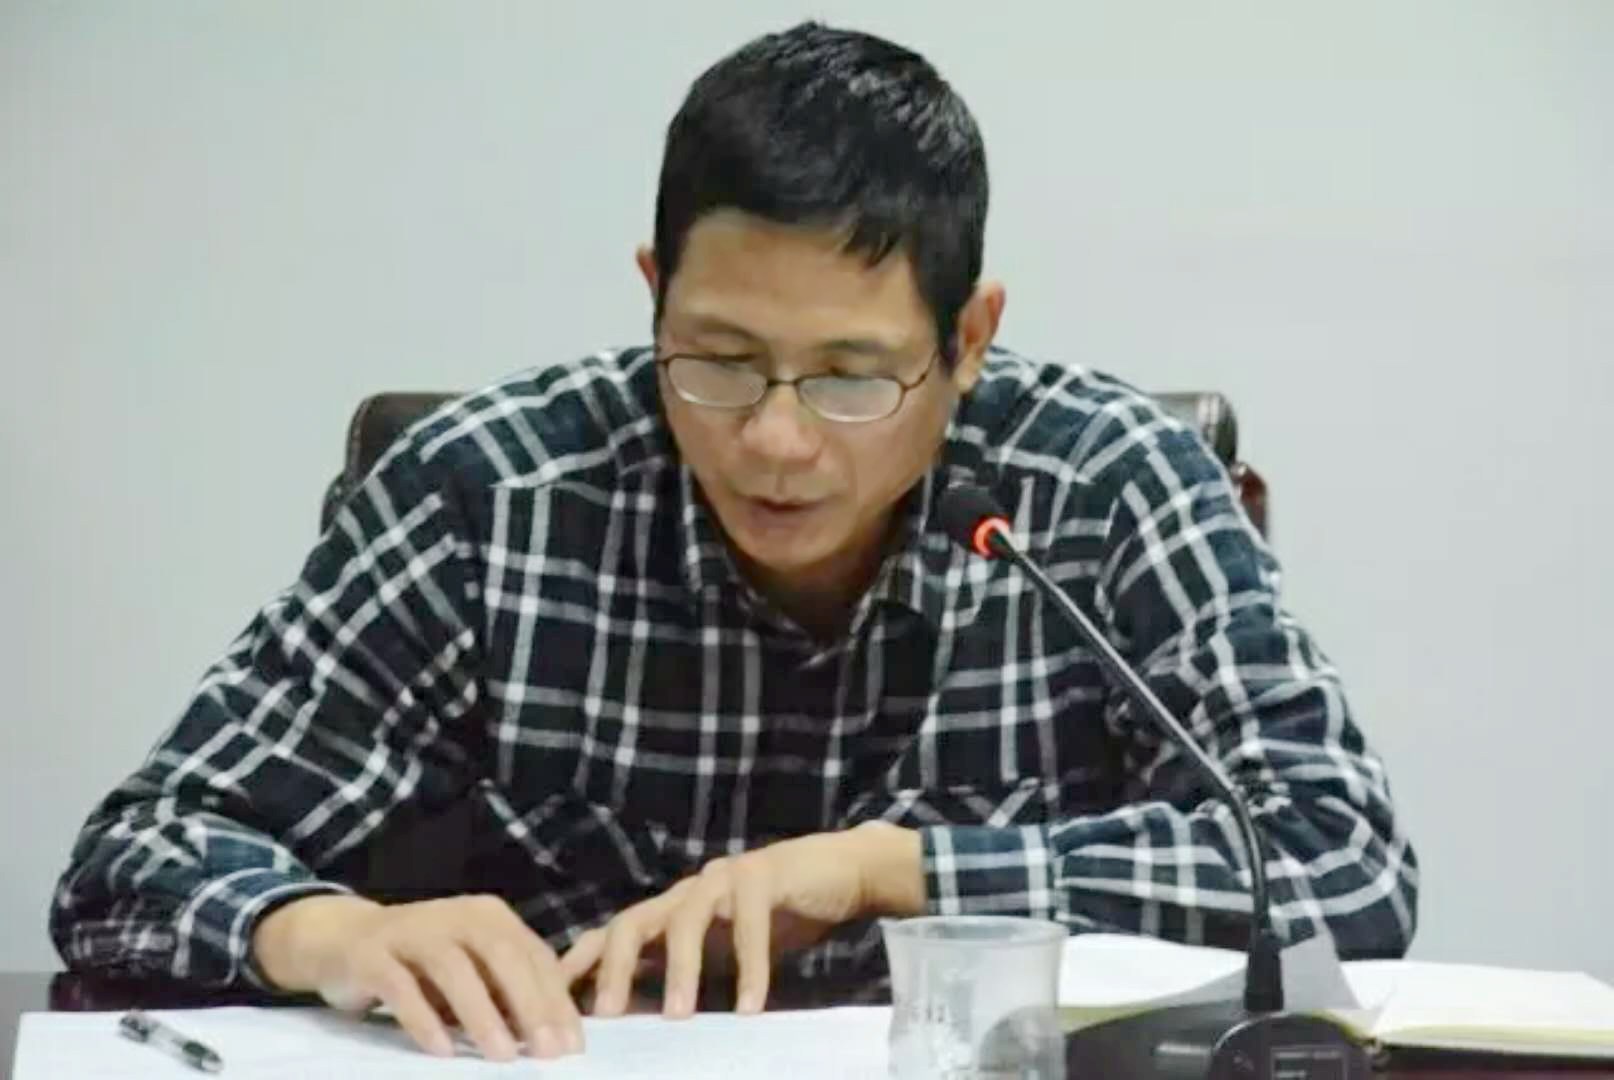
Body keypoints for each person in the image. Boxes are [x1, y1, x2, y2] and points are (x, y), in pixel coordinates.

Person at [50, 20, 1418, 1063]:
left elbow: (1337, 863)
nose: (775, 440)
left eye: (849, 377)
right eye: (716, 359)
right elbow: (136, 855)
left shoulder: (1106, 486)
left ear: (968, 338)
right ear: (654, 294)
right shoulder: (492, 496)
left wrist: (885, 872)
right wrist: (331, 932)